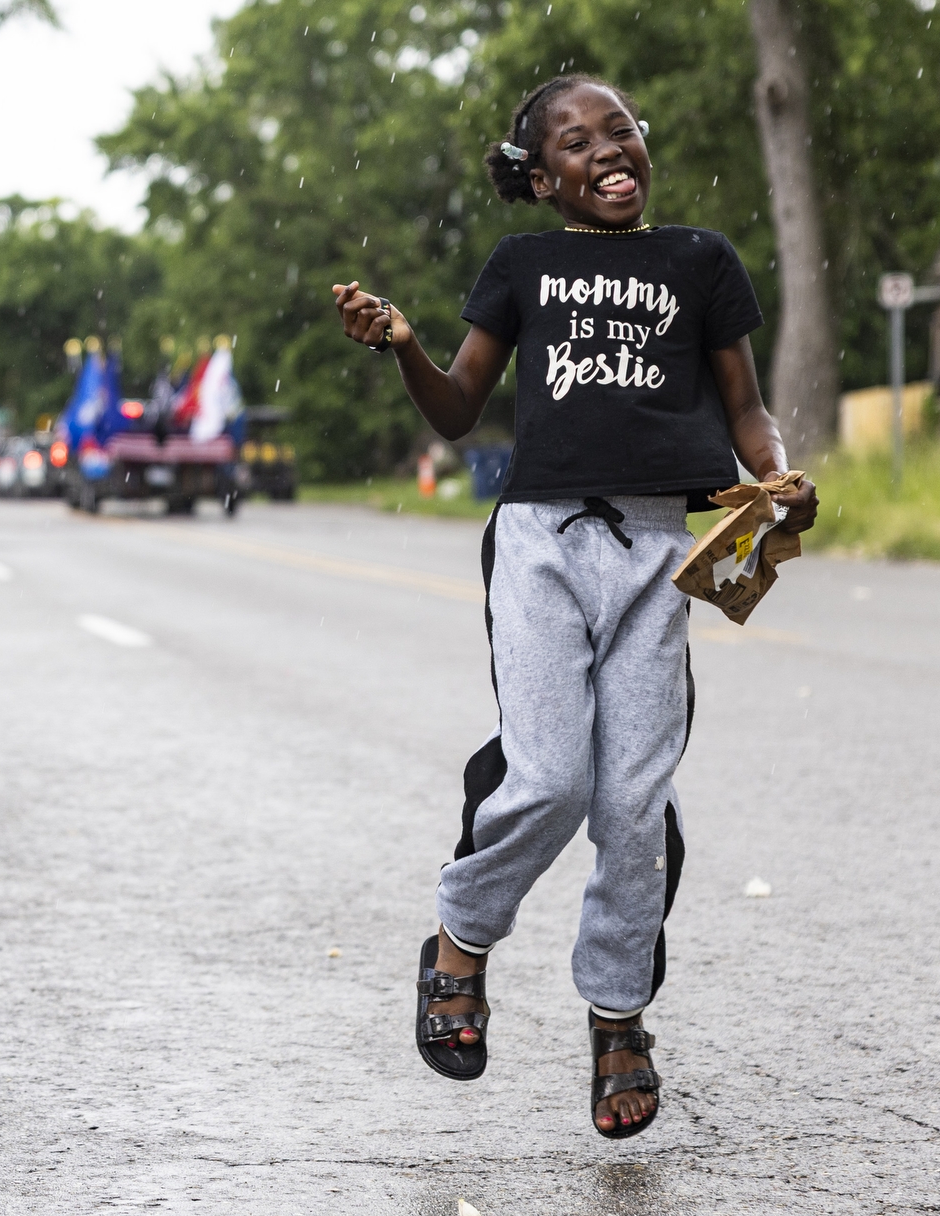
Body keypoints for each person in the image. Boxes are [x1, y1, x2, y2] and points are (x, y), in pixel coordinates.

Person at [332, 75, 818, 1139]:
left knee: (632, 806)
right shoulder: (521, 266)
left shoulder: (700, 262)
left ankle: (616, 1015)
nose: (606, 149)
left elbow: (744, 408)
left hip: (655, 547)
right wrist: (402, 344)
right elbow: (459, 410)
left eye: (620, 130)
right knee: (549, 777)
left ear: (644, 147)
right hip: (540, 543)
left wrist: (776, 480)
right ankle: (460, 939)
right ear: (540, 175)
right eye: (575, 141)